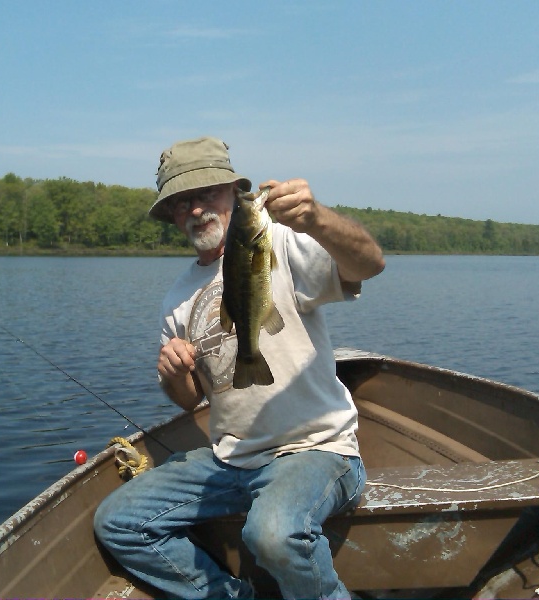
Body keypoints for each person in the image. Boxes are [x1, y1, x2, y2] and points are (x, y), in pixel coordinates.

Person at [94, 136, 385, 599]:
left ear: (234, 192)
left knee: (271, 533)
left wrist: (317, 218)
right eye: (182, 202)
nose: (196, 210)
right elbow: (192, 399)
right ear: (171, 215)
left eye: (207, 193)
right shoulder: (177, 299)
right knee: (118, 522)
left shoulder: (282, 243)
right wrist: (175, 376)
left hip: (314, 448)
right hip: (229, 459)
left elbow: (369, 264)